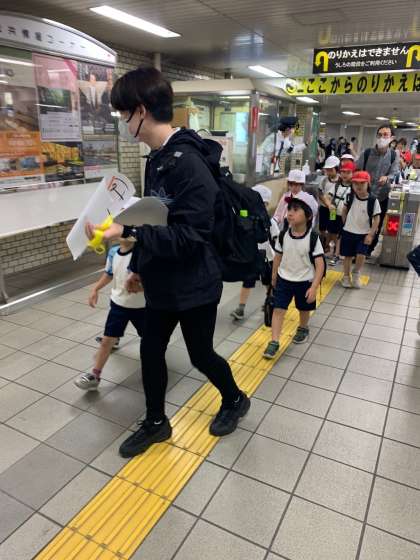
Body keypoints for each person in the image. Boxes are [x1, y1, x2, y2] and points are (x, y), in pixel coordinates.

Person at [86, 66, 250, 458]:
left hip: (195, 283)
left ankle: (235, 398)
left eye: (124, 113)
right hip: (163, 279)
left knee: (200, 355)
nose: (124, 122)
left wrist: (128, 234)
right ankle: (156, 421)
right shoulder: (157, 158)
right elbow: (155, 217)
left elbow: (191, 235)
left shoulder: (189, 163)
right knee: (151, 350)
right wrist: (138, 267)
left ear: (141, 110)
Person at [74, 237, 145, 390]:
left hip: (143, 307)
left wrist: (141, 288)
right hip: (118, 304)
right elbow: (109, 274)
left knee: (150, 340)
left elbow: (157, 280)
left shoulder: (143, 253)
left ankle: (154, 366)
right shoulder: (113, 252)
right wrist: (95, 289)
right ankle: (95, 375)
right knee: (106, 341)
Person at [263, 192, 324, 359]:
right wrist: (274, 276)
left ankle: (303, 327)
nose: (290, 213)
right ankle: (274, 341)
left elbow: (320, 265)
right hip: (284, 279)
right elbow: (278, 256)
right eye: (289, 209)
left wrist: (314, 287)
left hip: (305, 281)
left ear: (308, 216)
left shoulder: (313, 238)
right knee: (278, 309)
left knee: (304, 308)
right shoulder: (283, 235)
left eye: (296, 210)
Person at [231, 184, 280, 321]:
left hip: (267, 257)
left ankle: (270, 301)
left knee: (268, 282)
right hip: (251, 256)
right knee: (247, 281)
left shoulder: (270, 221)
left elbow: (276, 239)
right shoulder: (246, 219)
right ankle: (241, 308)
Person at [356, 125, 400, 257]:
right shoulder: (367, 153)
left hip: (382, 196)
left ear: (392, 138)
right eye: (380, 134)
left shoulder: (394, 155)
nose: (382, 137)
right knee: (361, 221)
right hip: (364, 195)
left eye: (385, 135)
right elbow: (357, 170)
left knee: (377, 224)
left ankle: (368, 250)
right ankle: (358, 249)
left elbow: (394, 173)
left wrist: (387, 178)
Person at [340, 171, 381, 289]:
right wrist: (345, 223)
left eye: (362, 183)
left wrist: (370, 234)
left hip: (364, 233)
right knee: (347, 256)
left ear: (368, 184)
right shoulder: (349, 196)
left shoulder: (373, 200)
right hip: (348, 231)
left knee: (361, 255)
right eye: (355, 183)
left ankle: (356, 272)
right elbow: (344, 210)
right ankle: (346, 276)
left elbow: (376, 219)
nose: (358, 186)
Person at [324, 160, 354, 266]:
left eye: (348, 172)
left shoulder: (354, 187)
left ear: (353, 173)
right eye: (343, 172)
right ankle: (332, 251)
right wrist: (329, 205)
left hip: (344, 215)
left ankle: (336, 254)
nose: (345, 174)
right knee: (331, 231)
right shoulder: (337, 185)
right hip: (333, 212)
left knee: (340, 234)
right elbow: (327, 197)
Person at [318, 155, 340, 250]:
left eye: (331, 170)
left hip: (334, 209)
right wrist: (327, 204)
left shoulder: (340, 181)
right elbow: (320, 193)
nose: (329, 172)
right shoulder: (324, 180)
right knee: (322, 227)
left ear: (337, 169)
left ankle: (330, 245)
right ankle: (324, 244)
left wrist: (331, 205)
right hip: (324, 207)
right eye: (327, 170)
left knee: (332, 228)